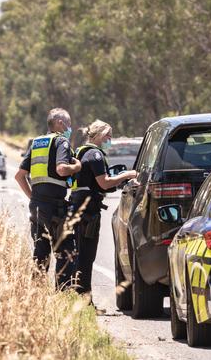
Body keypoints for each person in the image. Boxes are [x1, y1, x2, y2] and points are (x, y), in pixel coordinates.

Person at [15, 108, 82, 290]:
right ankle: (62, 295)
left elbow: (19, 176)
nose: (70, 127)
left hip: (36, 207)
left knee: (41, 253)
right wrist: (76, 167)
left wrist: (33, 198)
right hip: (55, 207)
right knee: (65, 251)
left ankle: (36, 295)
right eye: (68, 123)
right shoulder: (61, 141)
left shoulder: (37, 143)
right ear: (60, 123)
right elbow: (61, 169)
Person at [70, 120, 137, 301]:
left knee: (81, 254)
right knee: (86, 255)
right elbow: (104, 182)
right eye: (108, 135)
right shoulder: (95, 155)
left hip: (78, 208)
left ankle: (81, 297)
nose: (110, 139)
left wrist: (120, 182)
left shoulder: (81, 151)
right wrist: (128, 174)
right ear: (99, 134)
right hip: (88, 212)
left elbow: (102, 186)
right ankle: (84, 300)